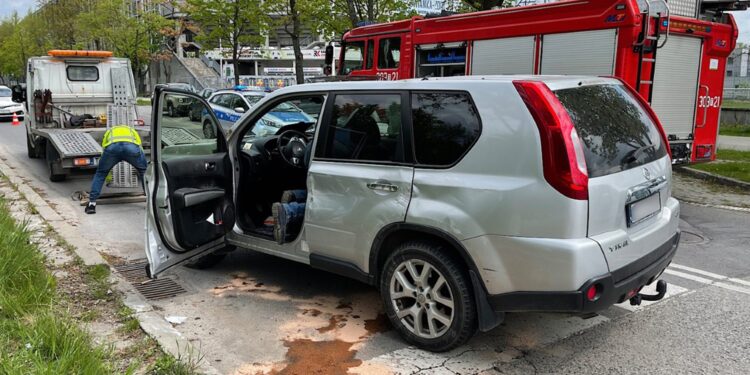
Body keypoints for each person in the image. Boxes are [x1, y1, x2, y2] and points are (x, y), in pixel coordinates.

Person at [85, 125, 146, 214]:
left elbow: (104, 147)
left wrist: (107, 173)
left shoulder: (110, 131)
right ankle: (150, 202)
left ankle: (92, 205)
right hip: (131, 149)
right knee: (144, 173)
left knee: (100, 173)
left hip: (112, 149)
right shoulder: (131, 130)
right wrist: (143, 165)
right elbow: (139, 145)